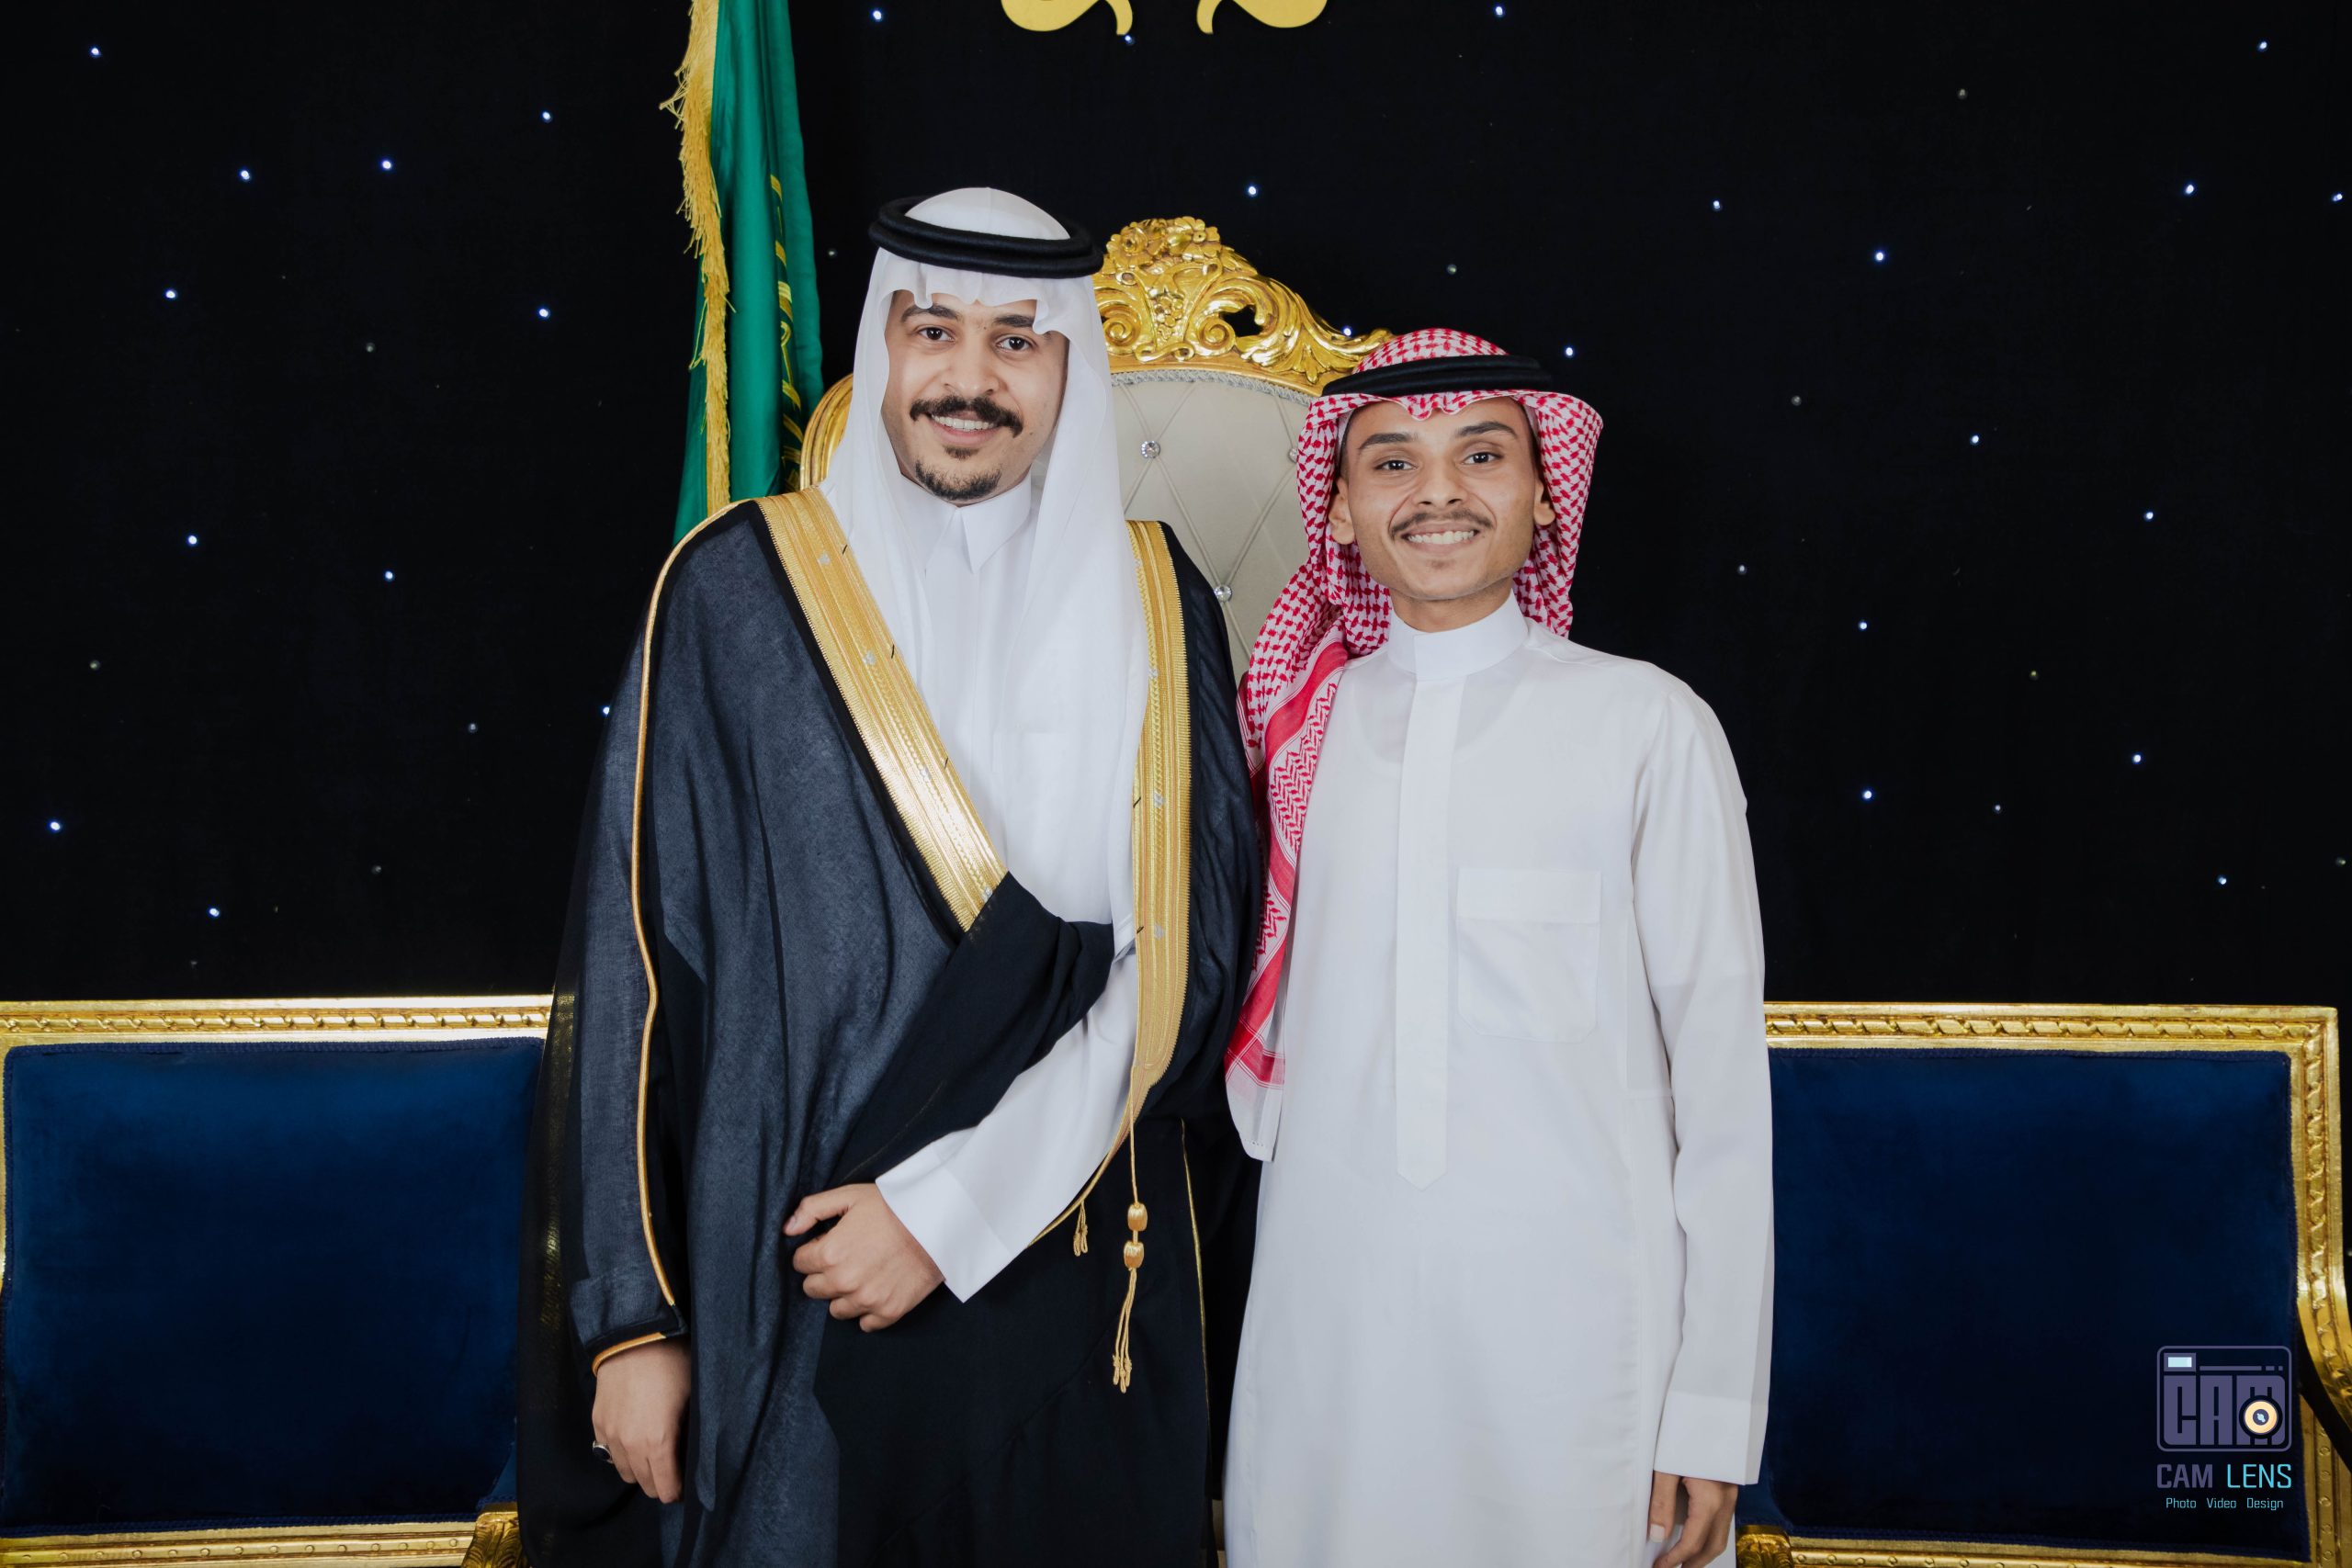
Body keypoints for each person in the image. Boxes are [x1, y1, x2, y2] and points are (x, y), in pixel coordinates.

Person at [517, 187, 1260, 1568]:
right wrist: (634, 1322)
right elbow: (641, 963)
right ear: (884, 344)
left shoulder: (1162, 604)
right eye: (934, 331)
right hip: (791, 1258)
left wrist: (946, 1214)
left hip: (1071, 1248)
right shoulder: (735, 588)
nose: (969, 379)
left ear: (1069, 367)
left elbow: (1184, 968)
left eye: (1016, 341)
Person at [1218, 330, 1774, 1567]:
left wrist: (1713, 1411)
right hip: (1331, 1341)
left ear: (1543, 494)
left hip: (1584, 1354)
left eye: (1481, 455)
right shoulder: (1294, 736)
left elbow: (1725, 1101)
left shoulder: (1646, 723)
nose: (1438, 493)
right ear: (1341, 513)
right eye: (1391, 463)